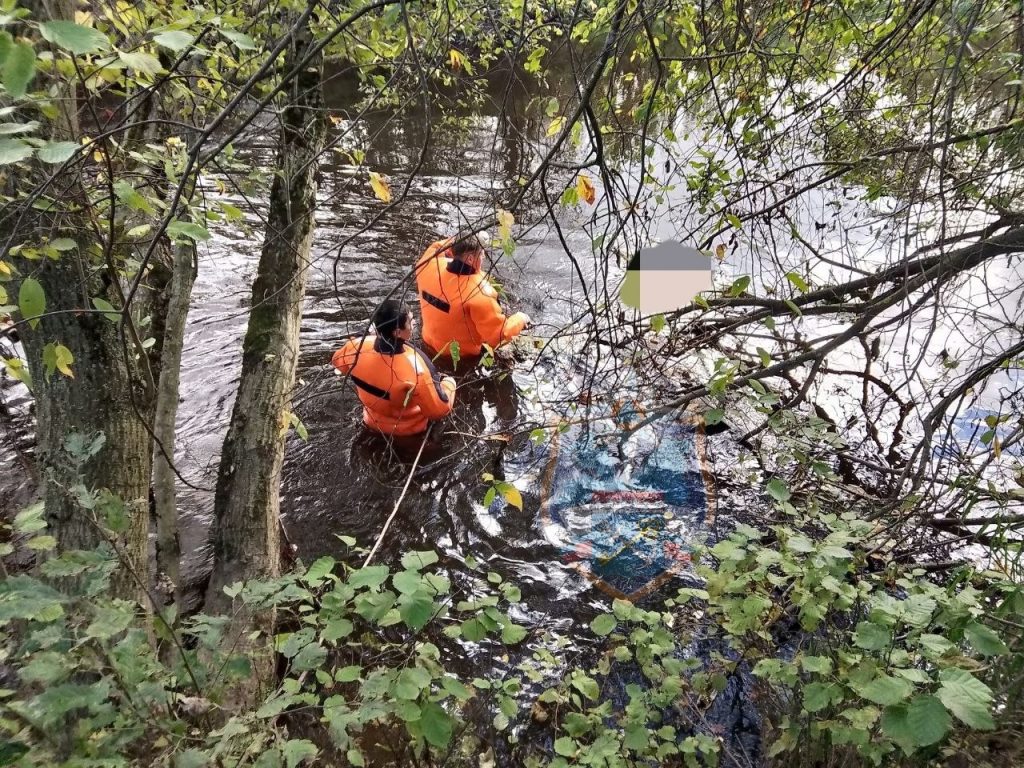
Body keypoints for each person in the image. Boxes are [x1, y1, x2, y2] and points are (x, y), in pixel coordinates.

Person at [332, 300, 456, 436]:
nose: (414, 323)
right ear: (397, 332)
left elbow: (338, 364)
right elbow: (438, 411)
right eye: (410, 321)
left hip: (370, 423)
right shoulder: (416, 366)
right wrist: (449, 383)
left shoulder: (355, 347)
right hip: (408, 433)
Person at [414, 233, 532, 358]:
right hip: (460, 356)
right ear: (470, 259)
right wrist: (520, 319)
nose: (484, 257)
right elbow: (499, 336)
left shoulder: (427, 265)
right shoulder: (478, 294)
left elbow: (437, 246)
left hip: (427, 342)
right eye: (481, 254)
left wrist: (462, 239)